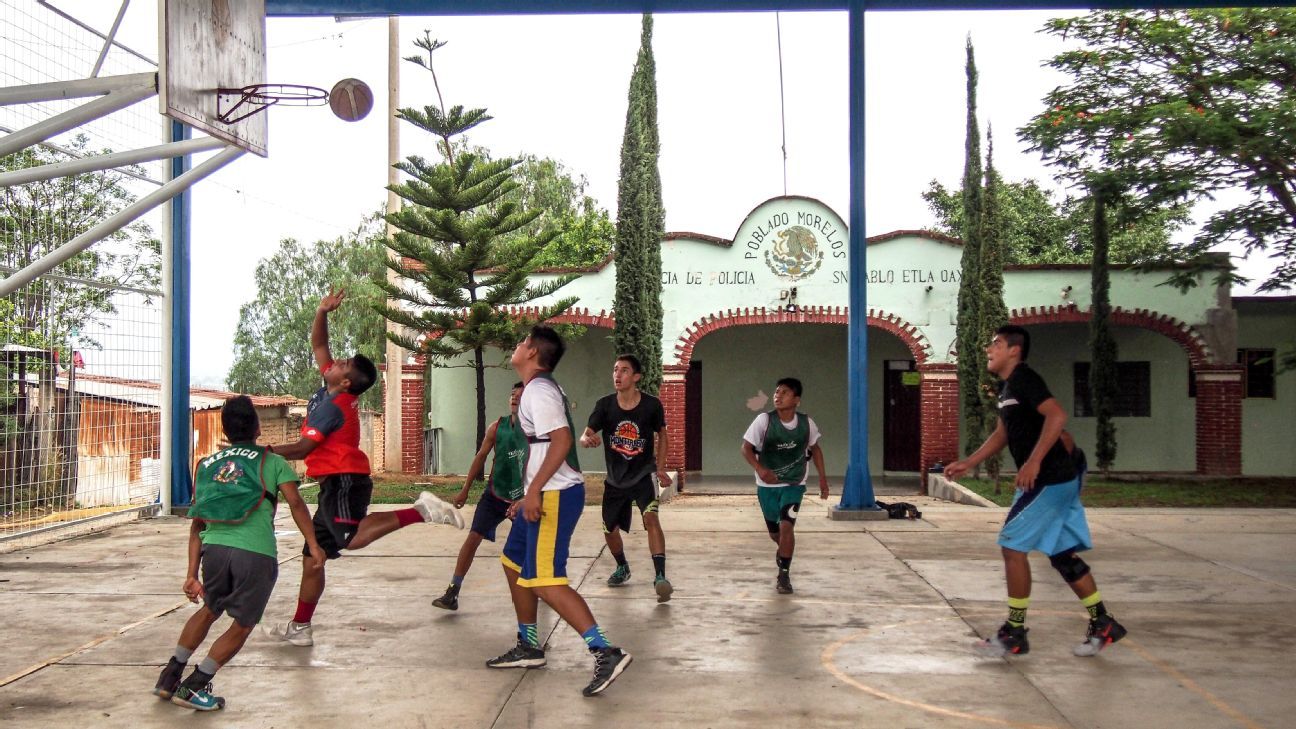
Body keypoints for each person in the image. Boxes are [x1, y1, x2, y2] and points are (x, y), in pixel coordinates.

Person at [264, 288, 463, 646]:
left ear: (344, 382)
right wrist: (322, 310)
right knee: (314, 557)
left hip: (345, 481)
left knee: (349, 538)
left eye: (341, 365)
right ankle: (300, 628)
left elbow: (302, 447)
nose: (335, 361)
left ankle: (422, 511)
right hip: (334, 483)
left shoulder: (333, 406)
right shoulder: (334, 390)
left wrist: (261, 451)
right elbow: (319, 345)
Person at [945, 324, 1127, 658]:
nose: (989, 349)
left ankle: (1014, 633)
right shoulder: (1008, 387)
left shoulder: (1025, 378)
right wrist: (968, 462)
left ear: (1014, 350)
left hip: (1051, 478)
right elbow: (1003, 433)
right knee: (1061, 556)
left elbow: (1057, 415)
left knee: (1012, 547)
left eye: (995, 344)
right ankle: (1104, 623)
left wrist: (1033, 461)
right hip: (1055, 477)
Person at [152, 396, 325, 711]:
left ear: (225, 429)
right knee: (243, 624)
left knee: (209, 610)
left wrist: (191, 573)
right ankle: (194, 686)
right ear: (258, 428)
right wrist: (313, 545)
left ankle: (169, 676)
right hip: (255, 554)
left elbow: (198, 522)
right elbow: (297, 504)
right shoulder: (271, 462)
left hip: (214, 551)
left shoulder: (206, 465)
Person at [486, 325, 632, 697]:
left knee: (547, 581)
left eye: (521, 342)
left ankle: (605, 651)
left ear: (532, 351)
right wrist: (527, 493)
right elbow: (543, 450)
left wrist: (534, 491)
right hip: (543, 492)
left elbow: (563, 440)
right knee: (514, 561)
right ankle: (529, 644)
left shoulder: (540, 391)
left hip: (555, 495)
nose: (516, 347)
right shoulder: (536, 390)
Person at [579, 354, 674, 602]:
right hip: (615, 479)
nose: (617, 375)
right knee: (609, 529)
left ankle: (660, 576)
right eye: (615, 370)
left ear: (636, 377)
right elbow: (586, 433)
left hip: (644, 474)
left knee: (651, 518)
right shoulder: (605, 405)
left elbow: (663, 435)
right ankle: (622, 567)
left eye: (624, 370)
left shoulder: (652, 405)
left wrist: (661, 467)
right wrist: (587, 439)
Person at [432, 382, 528, 611]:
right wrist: (465, 488)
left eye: (520, 395)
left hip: (522, 498)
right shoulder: (498, 427)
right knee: (472, 538)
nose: (514, 398)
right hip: (495, 494)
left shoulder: (535, 431)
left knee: (527, 548)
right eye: (512, 394)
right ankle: (453, 591)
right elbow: (480, 456)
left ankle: (535, 588)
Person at [740, 377, 830, 595]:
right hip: (767, 485)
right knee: (775, 533)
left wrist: (823, 479)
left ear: (796, 399)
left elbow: (815, 449)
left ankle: (784, 574)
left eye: (785, 393)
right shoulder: (764, 420)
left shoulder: (806, 423)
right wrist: (760, 469)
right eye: (777, 392)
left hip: (794, 483)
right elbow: (746, 448)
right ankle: (783, 552)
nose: (778, 396)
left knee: (787, 526)